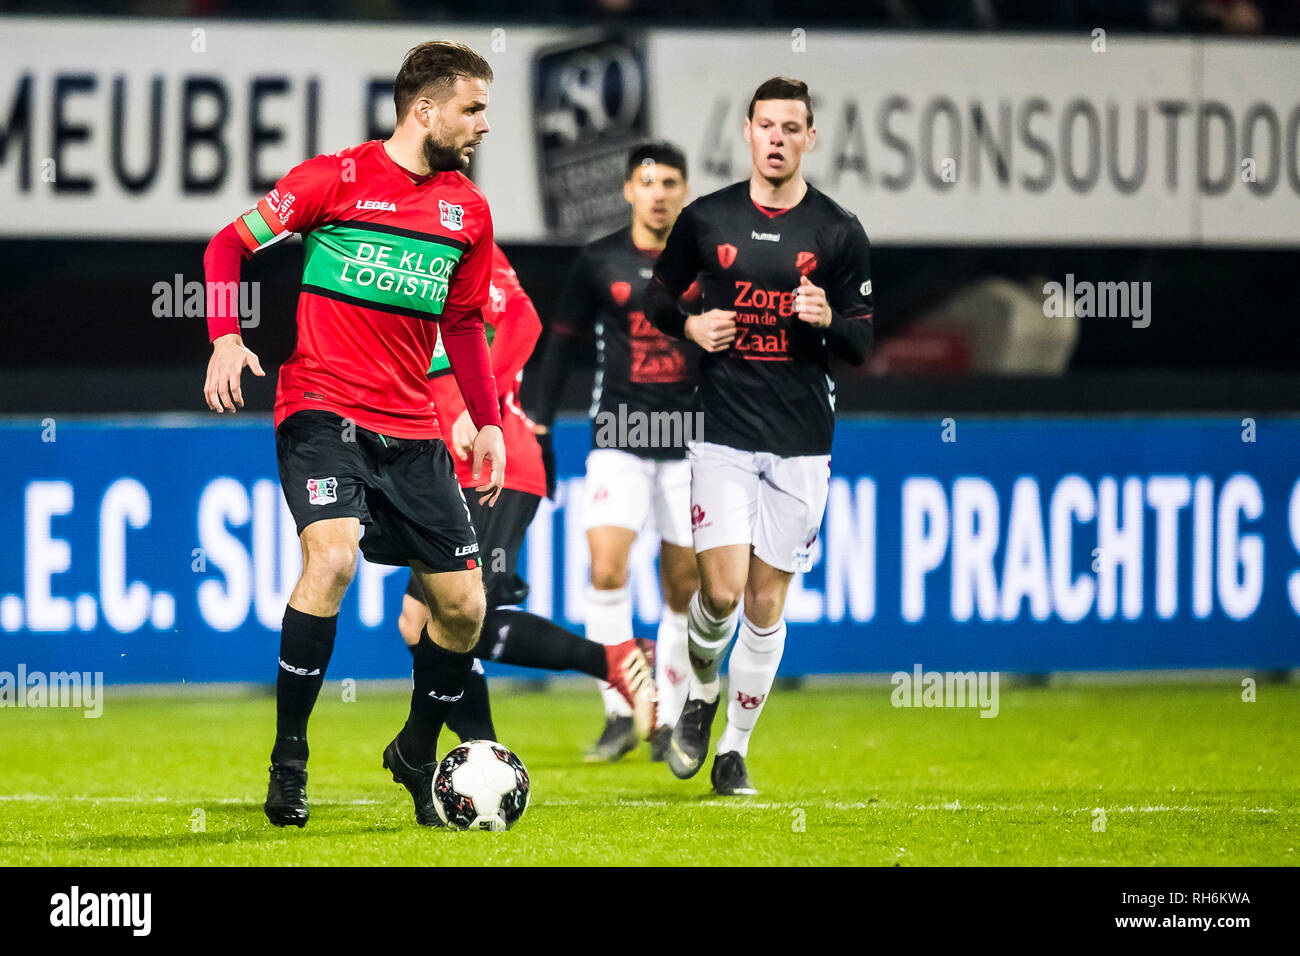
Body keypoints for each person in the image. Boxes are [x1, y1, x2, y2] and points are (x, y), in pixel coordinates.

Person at [202, 41, 505, 828]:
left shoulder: (467, 210)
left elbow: (466, 323)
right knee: (330, 557)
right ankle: (291, 758)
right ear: (425, 109)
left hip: (414, 430)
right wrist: (226, 335)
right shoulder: (333, 178)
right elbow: (227, 244)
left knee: (466, 608)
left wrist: (488, 421)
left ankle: (413, 750)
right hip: (321, 406)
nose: (482, 126)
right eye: (472, 109)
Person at [644, 77, 875, 795]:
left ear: (811, 138)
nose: (777, 138)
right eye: (766, 125)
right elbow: (657, 295)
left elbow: (863, 344)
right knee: (719, 591)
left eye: (791, 127)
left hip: (803, 441)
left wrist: (826, 321)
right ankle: (701, 694)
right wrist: (688, 325)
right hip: (722, 432)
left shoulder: (839, 232)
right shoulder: (706, 220)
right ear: (747, 131)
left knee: (766, 604)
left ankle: (733, 751)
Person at [396, 242, 658, 760]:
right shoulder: (386, 259)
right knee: (421, 621)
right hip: (445, 469)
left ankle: (610, 663)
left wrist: (481, 405)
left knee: (463, 613)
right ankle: (487, 749)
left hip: (495, 463)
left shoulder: (457, 234)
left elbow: (523, 320)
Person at [527, 143, 700, 762]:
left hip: (690, 444)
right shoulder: (599, 260)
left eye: (670, 182)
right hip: (619, 436)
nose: (658, 193)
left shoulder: (709, 261)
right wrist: (538, 424)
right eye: (647, 182)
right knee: (606, 571)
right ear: (629, 190)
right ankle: (620, 708)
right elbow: (562, 345)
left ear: (684, 190)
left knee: (685, 590)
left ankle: (674, 713)